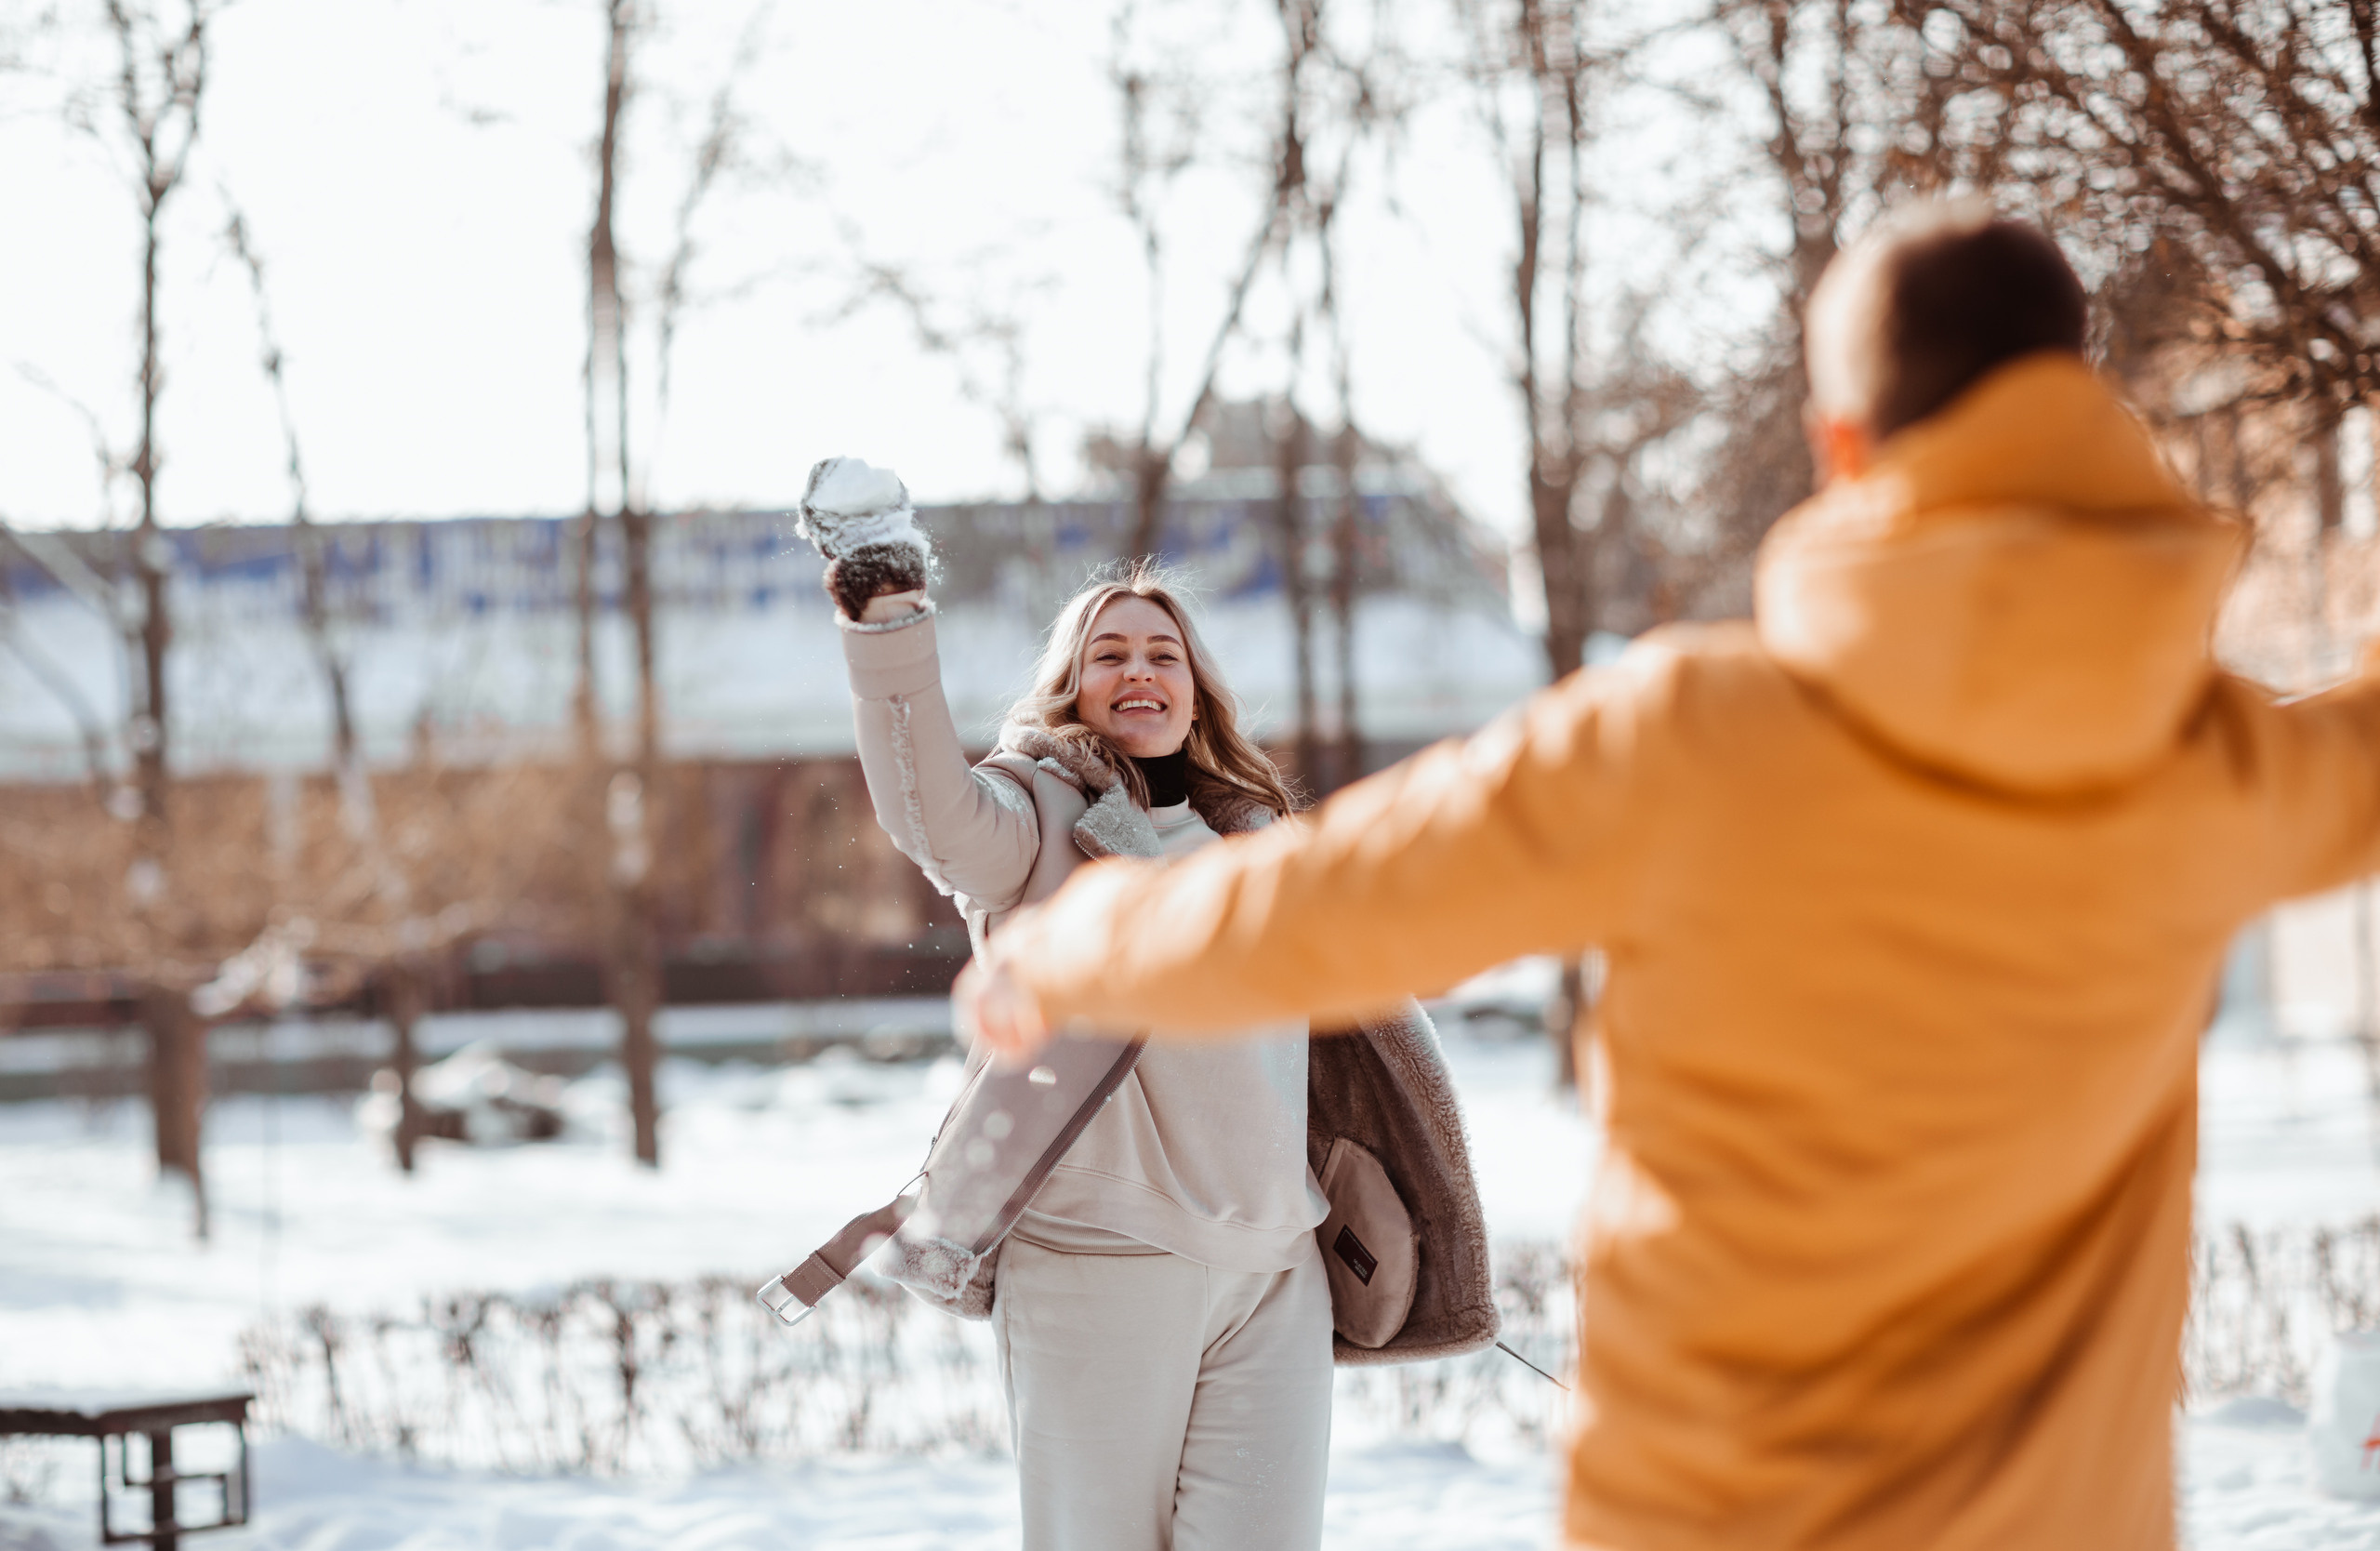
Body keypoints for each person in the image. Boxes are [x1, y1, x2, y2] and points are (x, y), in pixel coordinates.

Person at [959, 199, 2380, 1549]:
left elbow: (1335, 900)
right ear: (2085, 410)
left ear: (1840, 442)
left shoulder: (1688, 737)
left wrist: (1086, 944)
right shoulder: (2201, 762)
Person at [790, 465, 1498, 1551]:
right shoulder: (1031, 828)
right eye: (1107, 654)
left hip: (1276, 1276)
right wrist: (886, 600)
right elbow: (928, 803)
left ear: (1196, 690)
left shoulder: (1260, 845)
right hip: (1098, 1267)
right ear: (1071, 690)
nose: (1138, 670)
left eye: (1163, 654)